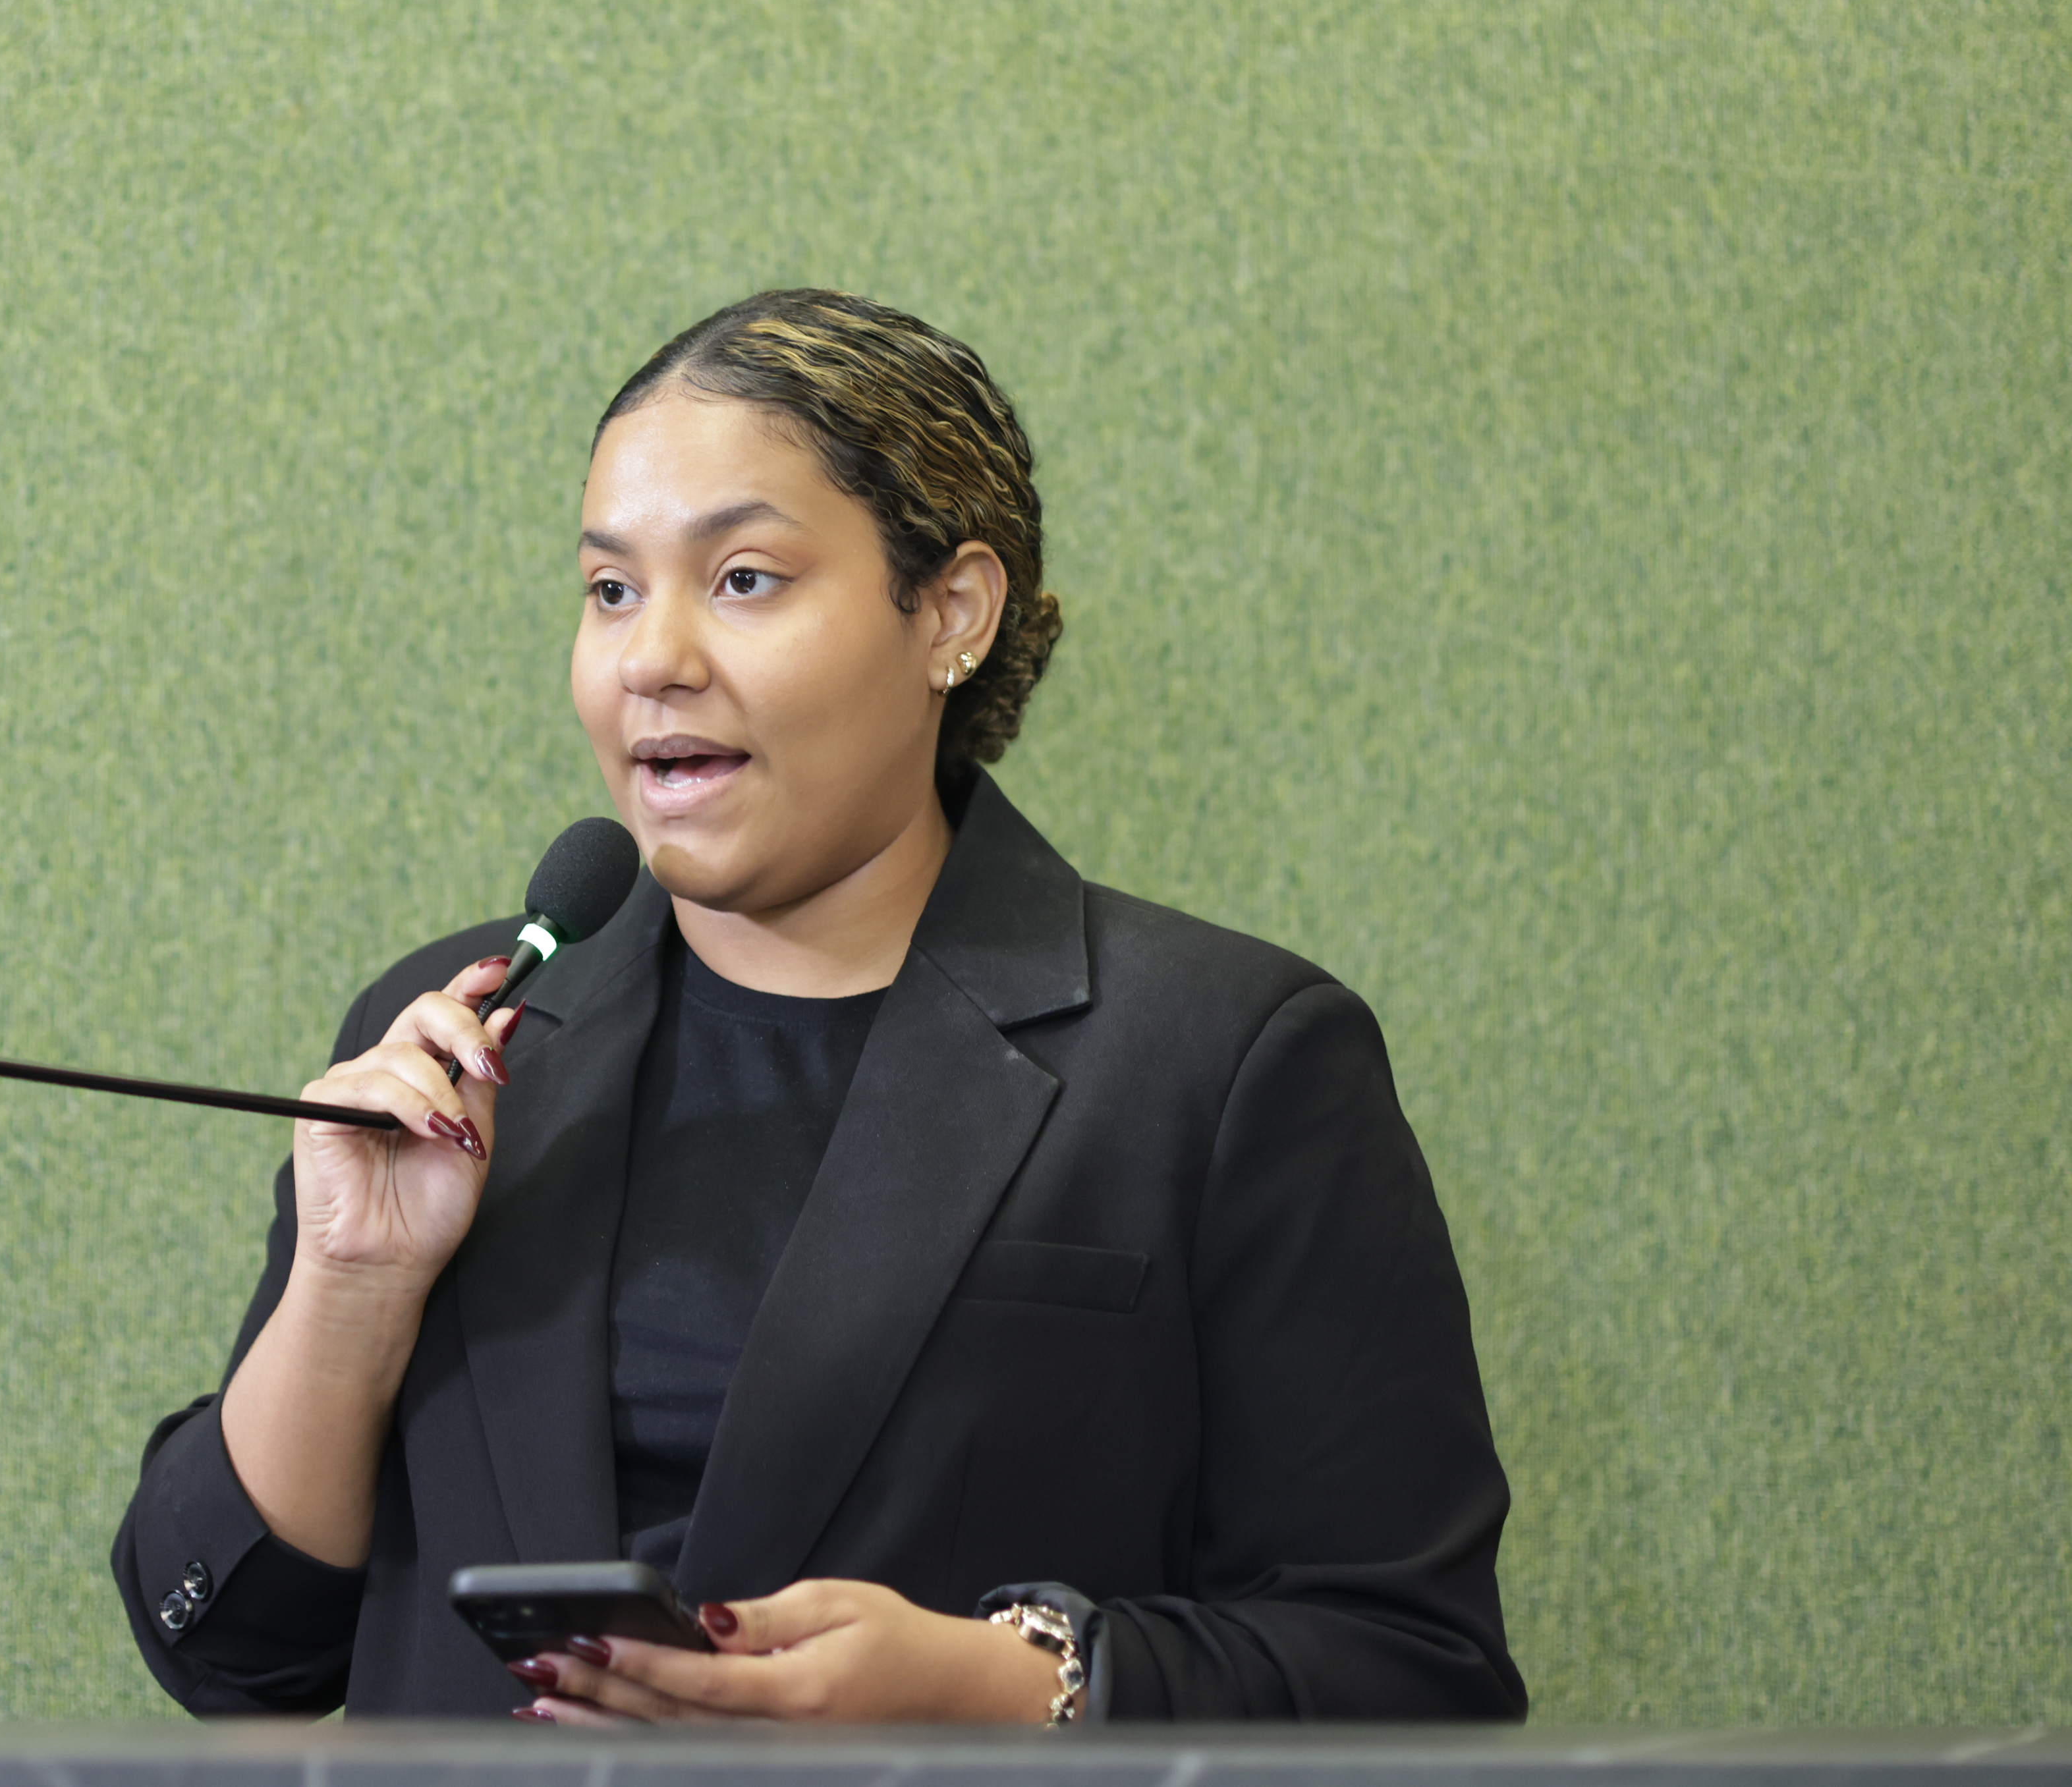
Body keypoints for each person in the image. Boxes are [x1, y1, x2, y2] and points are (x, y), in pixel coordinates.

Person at [115, 290, 1525, 1724]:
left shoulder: (1225, 1059)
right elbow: (232, 1648)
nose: (651, 656)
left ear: (950, 617)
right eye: (609, 589)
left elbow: (1414, 1669)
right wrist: (351, 1285)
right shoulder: (465, 1039)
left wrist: (987, 1680)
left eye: (741, 578)